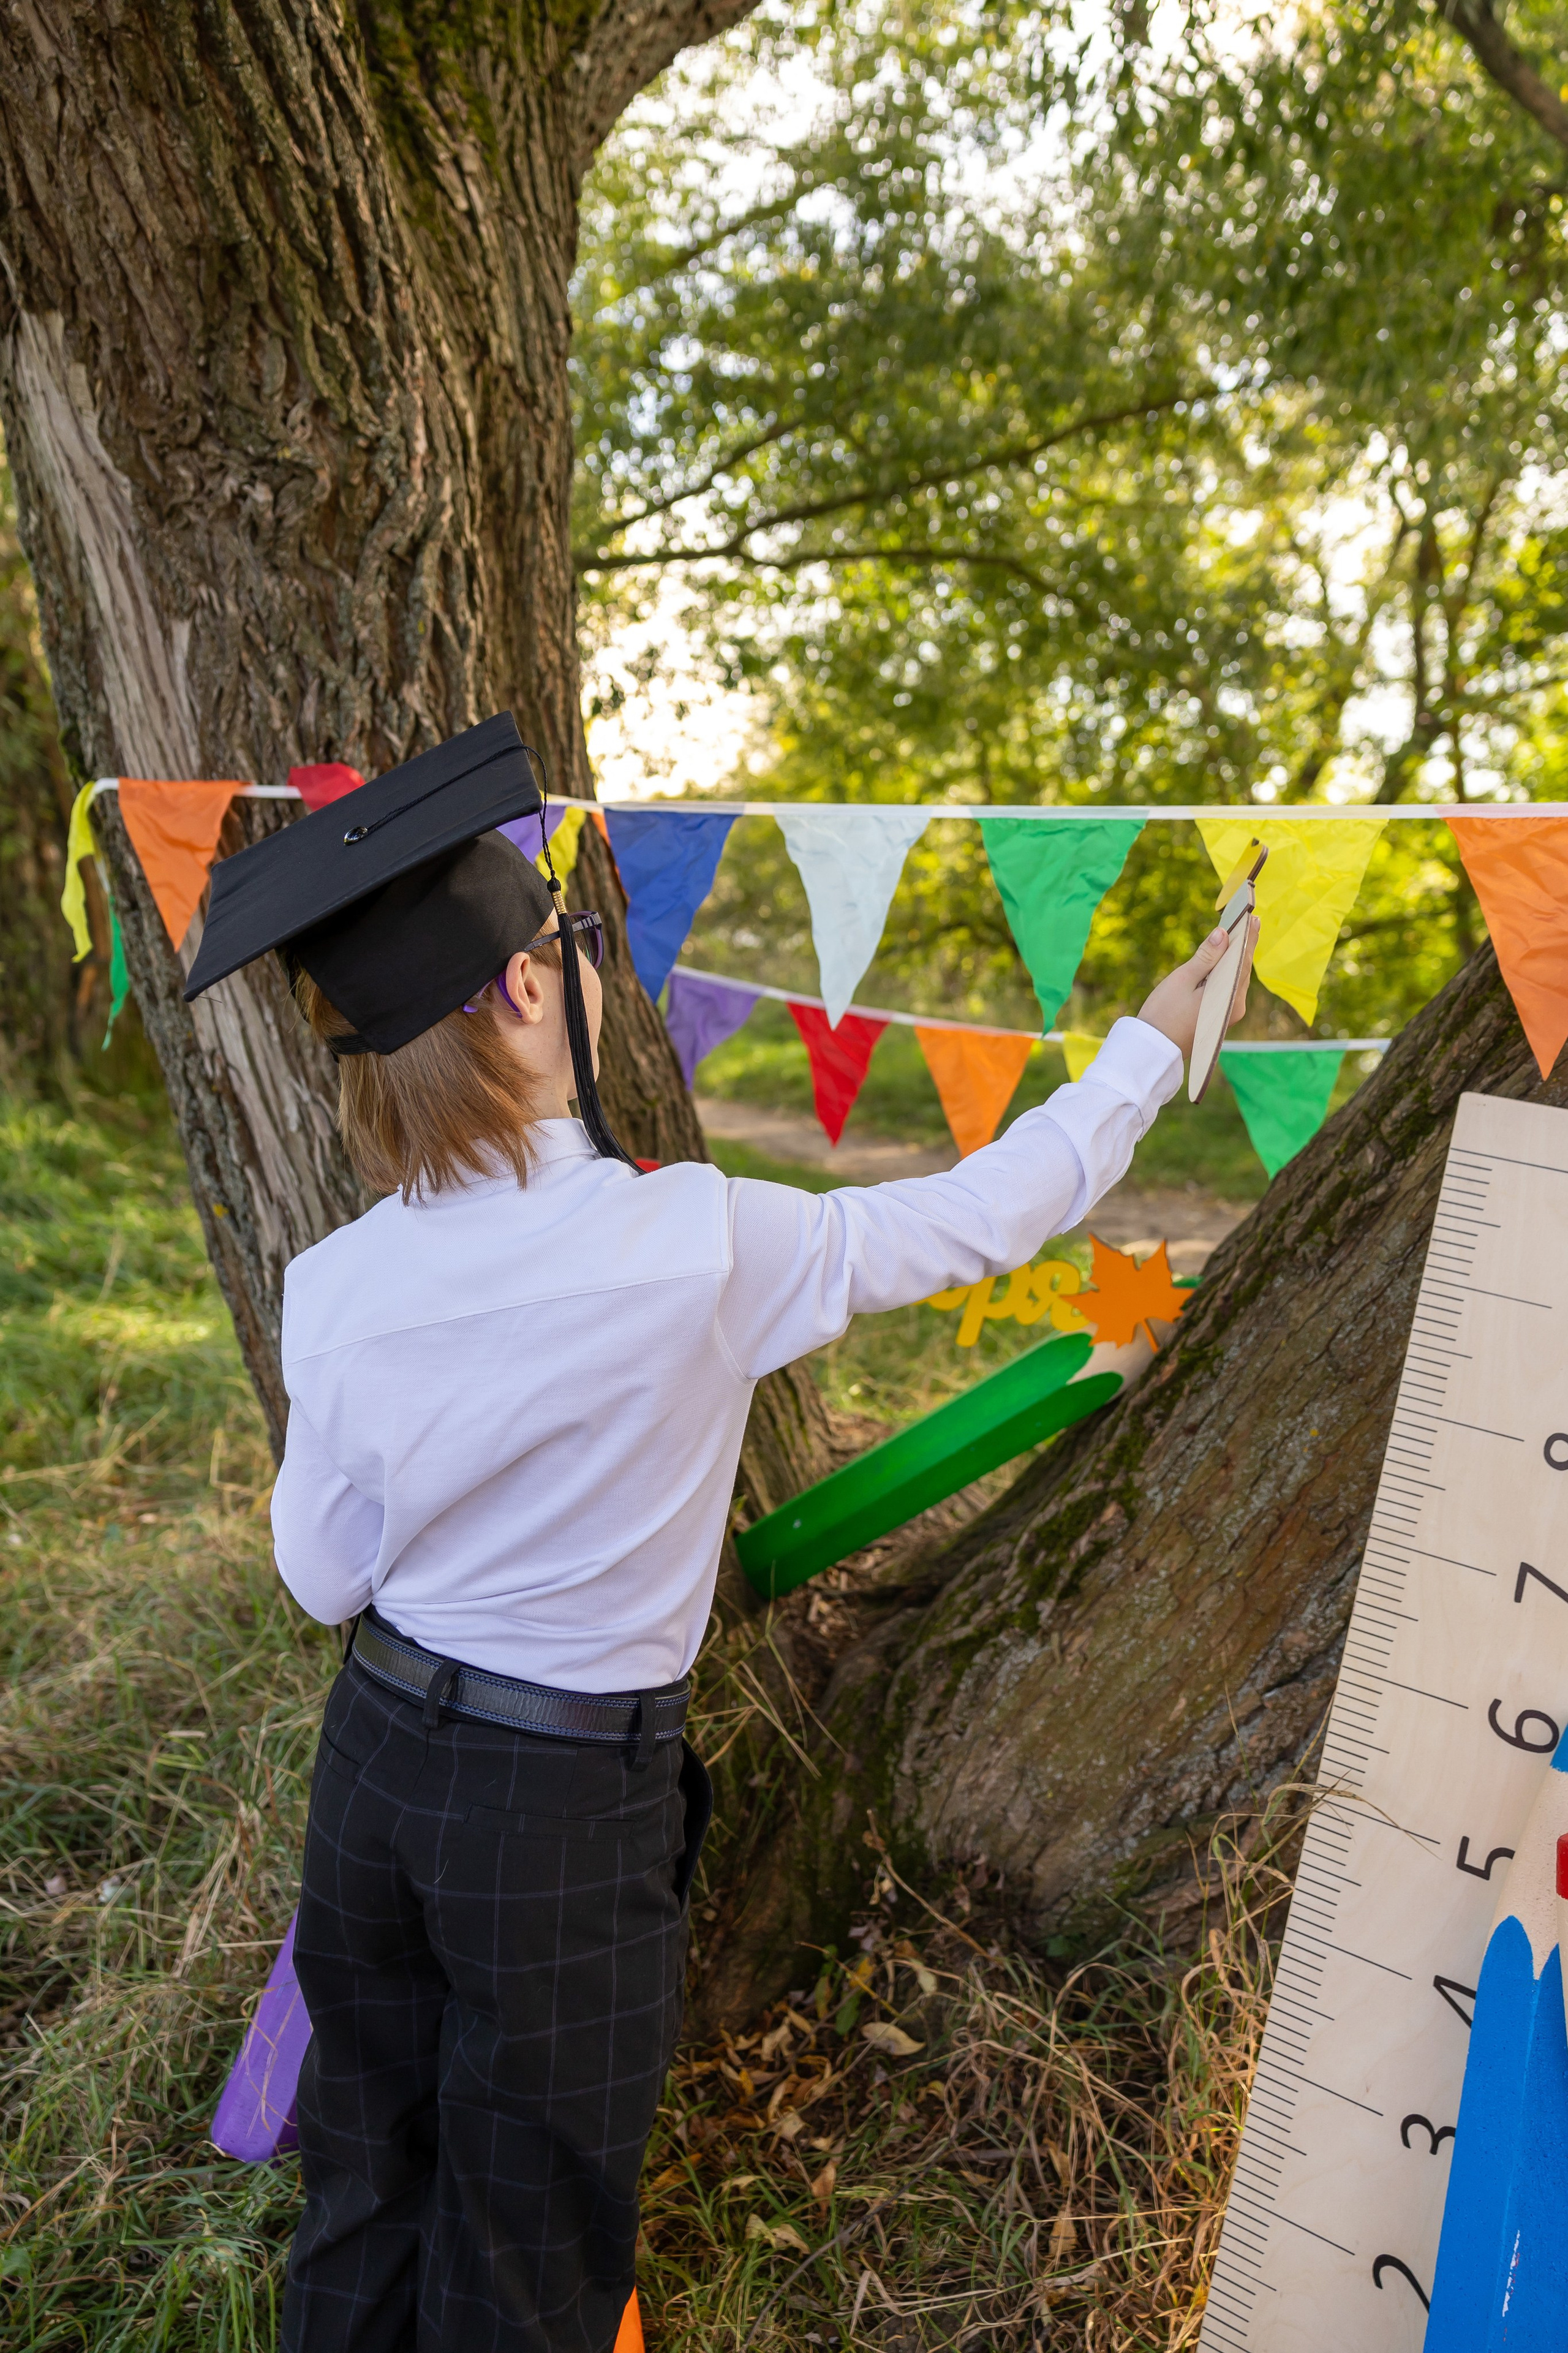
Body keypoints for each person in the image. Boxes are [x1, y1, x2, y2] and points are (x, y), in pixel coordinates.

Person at [184, 714, 1257, 2353]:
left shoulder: (334, 1290)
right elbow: (982, 1214)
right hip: (562, 1811)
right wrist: (1152, 1046)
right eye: (572, 946)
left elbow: (320, 1575)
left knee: (365, 2171)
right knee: (528, 2240)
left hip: (378, 1771)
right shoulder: (691, 1244)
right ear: (531, 992)